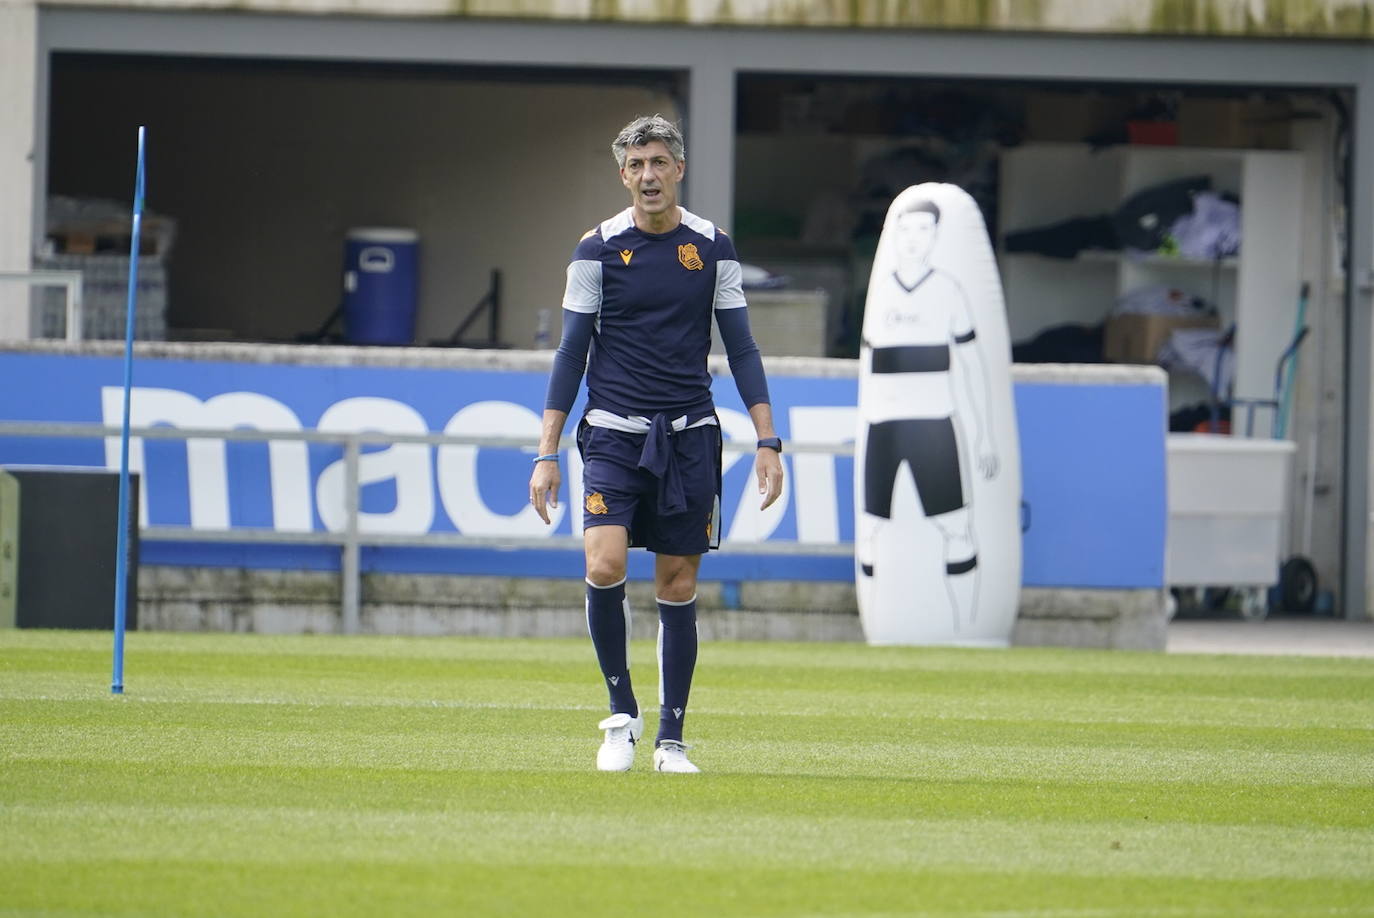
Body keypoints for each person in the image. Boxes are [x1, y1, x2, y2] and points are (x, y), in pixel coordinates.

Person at [528, 114, 784, 774]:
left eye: (659, 162)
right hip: (613, 435)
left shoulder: (713, 248)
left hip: (690, 437)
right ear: (623, 175)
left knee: (677, 581)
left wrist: (768, 438)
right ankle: (622, 717)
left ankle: (671, 741)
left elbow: (742, 348)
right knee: (604, 563)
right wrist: (546, 452)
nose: (649, 175)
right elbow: (570, 354)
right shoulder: (595, 251)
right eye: (637, 165)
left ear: (679, 170)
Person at [856, 198, 999, 632]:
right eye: (907, 229)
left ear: (935, 235)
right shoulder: (881, 293)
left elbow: (972, 365)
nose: (914, 238)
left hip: (934, 427)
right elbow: (868, 367)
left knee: (956, 528)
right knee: (872, 531)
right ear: (894, 235)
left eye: (923, 229)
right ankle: (879, 627)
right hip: (883, 429)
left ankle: (965, 629)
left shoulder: (948, 291)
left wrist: (984, 435)